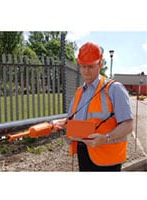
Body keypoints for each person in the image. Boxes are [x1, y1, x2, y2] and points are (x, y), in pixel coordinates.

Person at [54, 42, 133, 171]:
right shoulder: (79, 92)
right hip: (83, 153)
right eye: (83, 66)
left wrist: (106, 138)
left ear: (100, 64)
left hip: (107, 159)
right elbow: (72, 120)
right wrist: (59, 123)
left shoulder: (114, 89)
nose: (86, 71)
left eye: (90, 66)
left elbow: (128, 125)